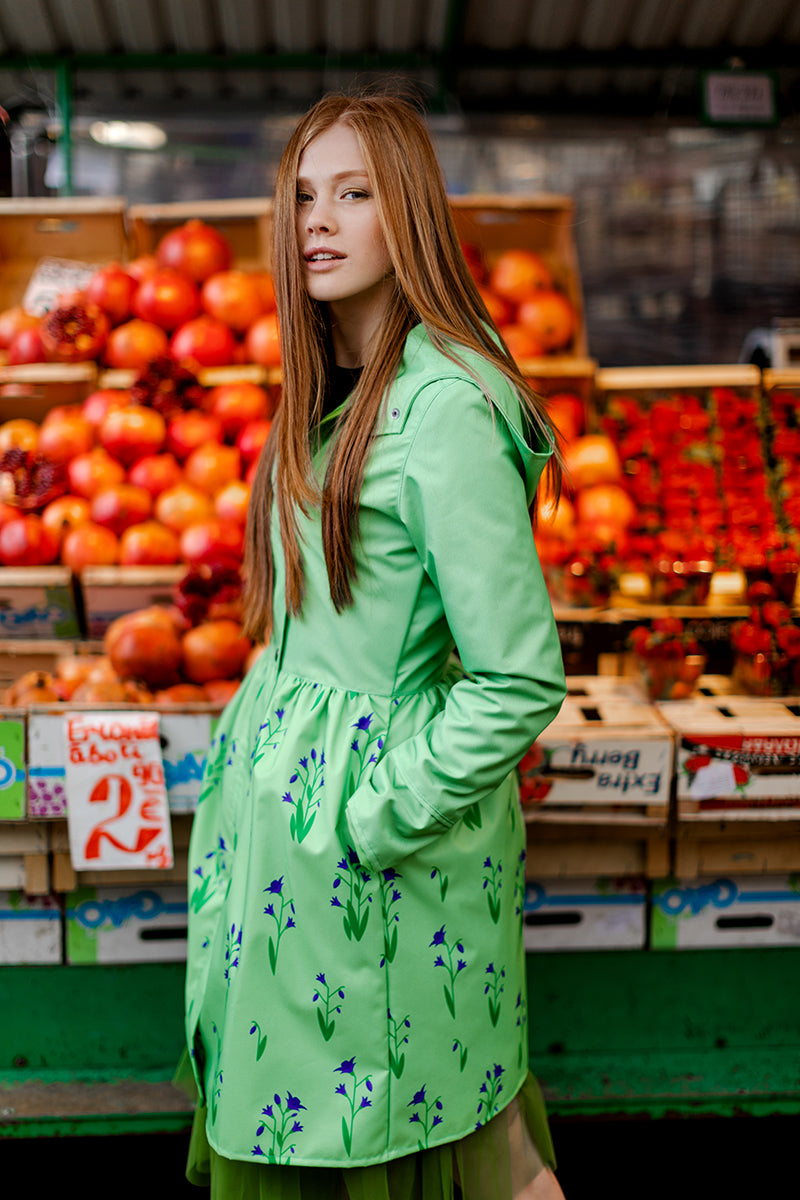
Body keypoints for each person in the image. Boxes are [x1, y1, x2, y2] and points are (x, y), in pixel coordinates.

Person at [183, 88, 568, 1200]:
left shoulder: (441, 407)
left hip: (372, 858)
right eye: (304, 194)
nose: (319, 218)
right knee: (397, 1133)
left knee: (433, 1138)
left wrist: (369, 813)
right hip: (289, 861)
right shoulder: (337, 388)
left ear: (407, 213)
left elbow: (515, 675)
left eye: (354, 193)